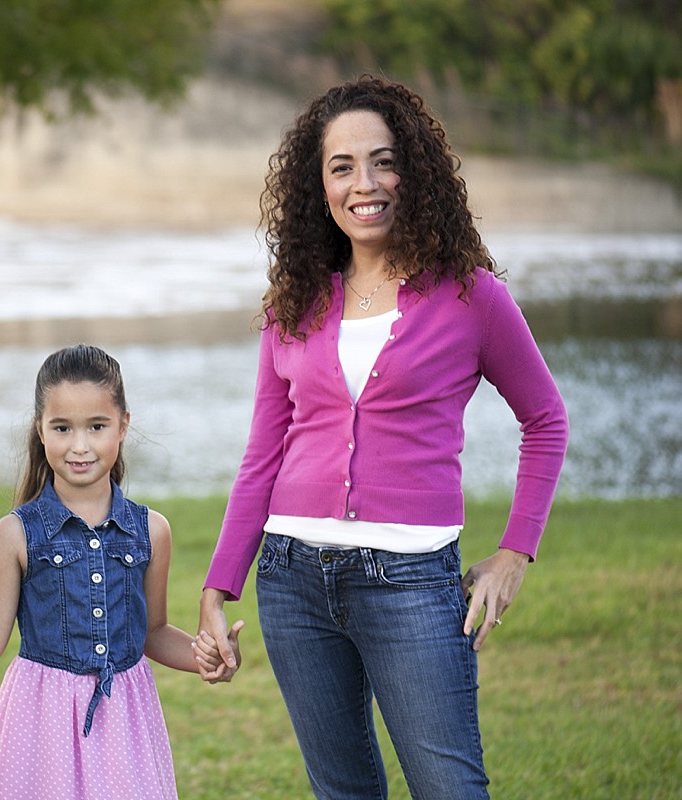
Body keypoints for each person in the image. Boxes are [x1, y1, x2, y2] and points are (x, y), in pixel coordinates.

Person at [194, 75, 569, 799]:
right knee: (343, 792)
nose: (363, 183)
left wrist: (516, 552)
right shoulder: (294, 302)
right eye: (341, 167)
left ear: (416, 171)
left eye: (383, 160)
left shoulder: (471, 297)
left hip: (412, 583)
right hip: (292, 581)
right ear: (319, 187)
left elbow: (545, 419)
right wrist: (220, 583)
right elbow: (263, 453)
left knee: (448, 786)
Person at [0, 344, 243, 799]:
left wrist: (207, 657)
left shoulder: (152, 531)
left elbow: (154, 632)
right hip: (39, 724)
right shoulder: (14, 535)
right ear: (40, 430)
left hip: (124, 724)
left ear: (123, 425)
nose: (79, 446)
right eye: (62, 428)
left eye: (97, 427)